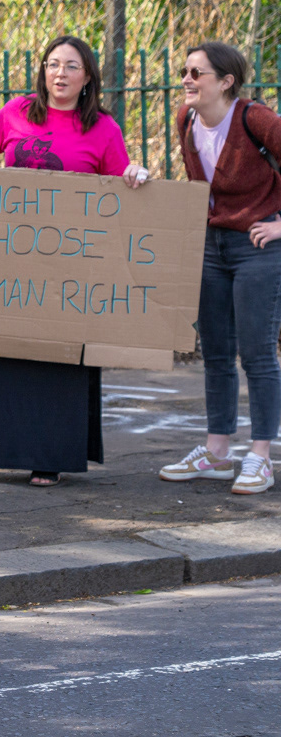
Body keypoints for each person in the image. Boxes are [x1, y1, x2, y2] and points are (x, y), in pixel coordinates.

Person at [0, 35, 148, 487]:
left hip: (69, 267)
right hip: (8, 255)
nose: (60, 73)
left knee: (57, 358)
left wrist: (134, 173)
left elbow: (121, 188)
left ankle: (48, 452)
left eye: (71, 66)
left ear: (87, 76)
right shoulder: (16, 112)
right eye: (53, 64)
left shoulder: (104, 129)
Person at [158, 42, 281, 495]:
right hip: (211, 247)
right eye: (185, 71)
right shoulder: (186, 119)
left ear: (226, 81)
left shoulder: (256, 119)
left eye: (197, 73)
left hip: (257, 246)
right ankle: (216, 453)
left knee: (258, 353)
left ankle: (261, 456)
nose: (186, 80)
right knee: (215, 352)